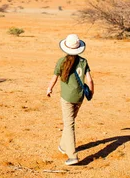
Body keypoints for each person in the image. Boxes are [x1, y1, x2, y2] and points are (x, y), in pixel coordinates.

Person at [46, 34, 94, 166]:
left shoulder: (61, 61)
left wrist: (49, 88)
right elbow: (89, 80)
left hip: (67, 98)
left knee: (69, 124)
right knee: (70, 122)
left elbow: (54, 77)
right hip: (79, 97)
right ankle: (63, 146)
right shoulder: (84, 62)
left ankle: (73, 156)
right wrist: (91, 93)